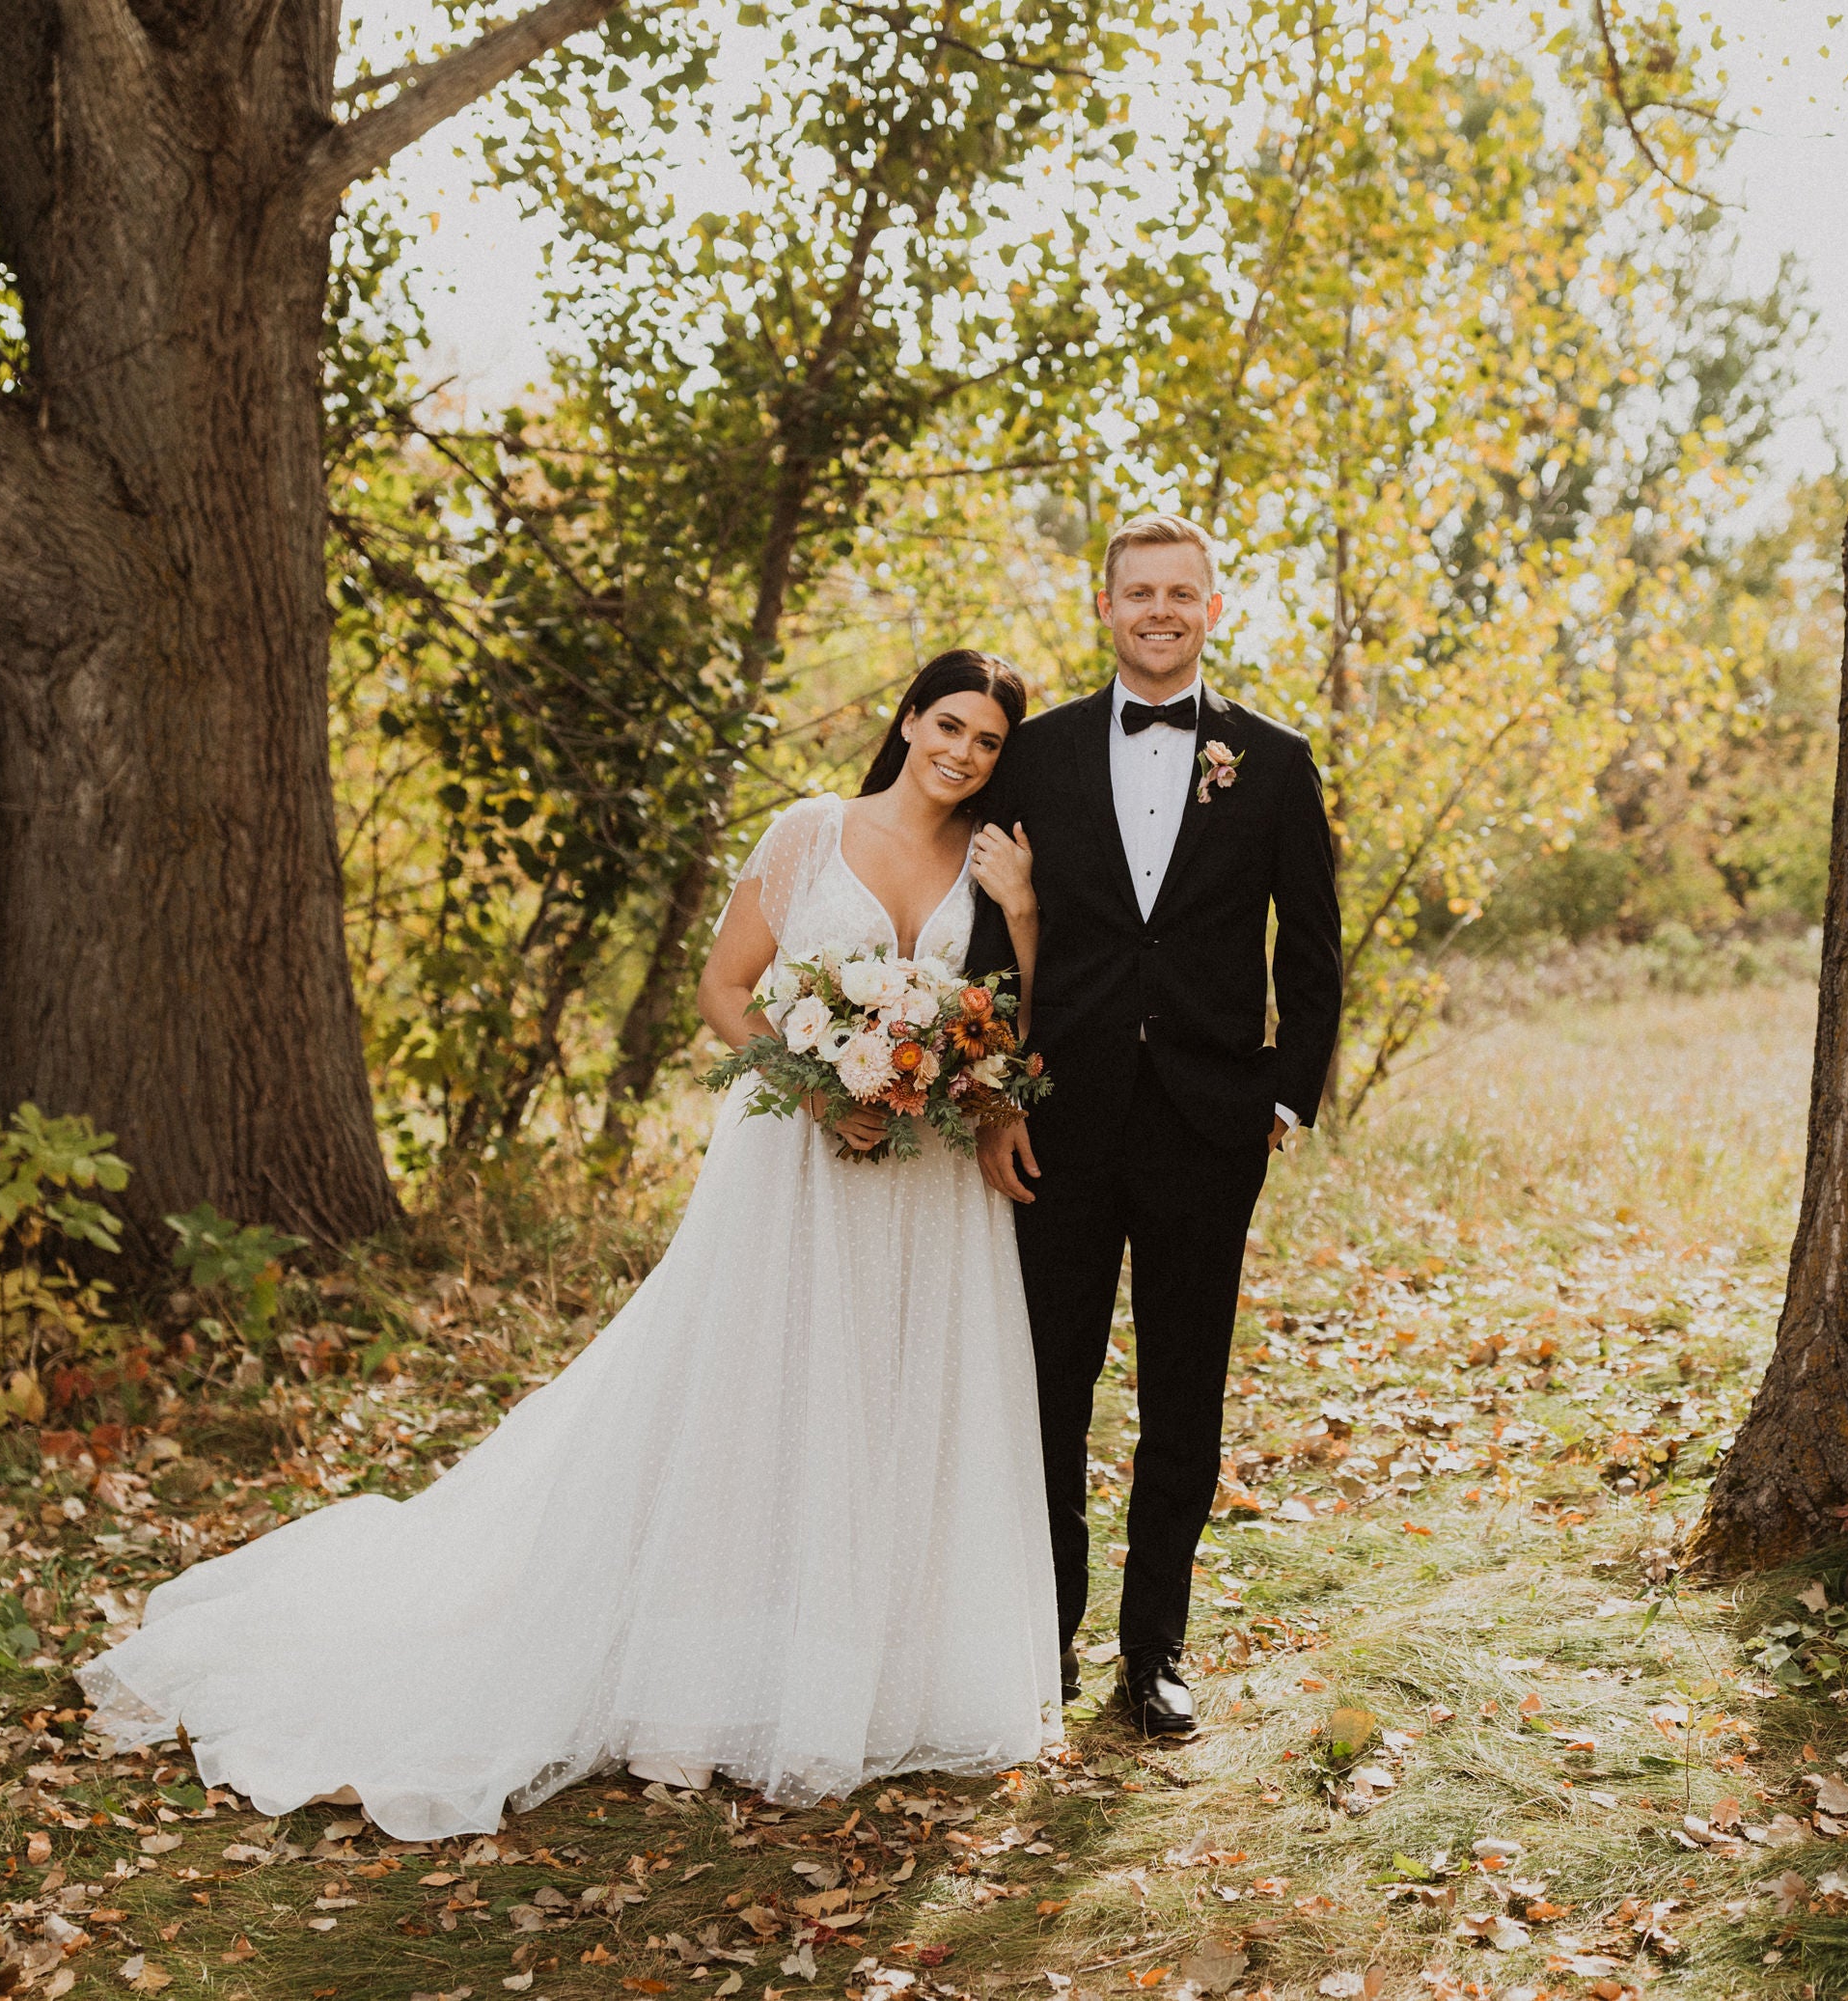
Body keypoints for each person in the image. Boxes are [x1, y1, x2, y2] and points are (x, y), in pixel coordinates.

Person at [79, 651, 1062, 1839]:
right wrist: (813, 1089)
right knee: (756, 1398)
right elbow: (724, 988)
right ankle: (717, 1669)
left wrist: (1017, 915)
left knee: (894, 1401)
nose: (962, 751)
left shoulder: (992, 863)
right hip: (800, 1165)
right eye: (948, 723)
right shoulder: (811, 829)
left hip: (922, 1187)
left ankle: (864, 1672)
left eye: (989, 741)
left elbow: (1001, 1024)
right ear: (909, 719)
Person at [966, 512, 1342, 1739]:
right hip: (1058, 1124)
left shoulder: (1274, 761)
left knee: (1185, 1393)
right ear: (1106, 606)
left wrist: (1284, 1096)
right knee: (1049, 1391)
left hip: (1207, 1126)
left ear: (1214, 609)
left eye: (1183, 592)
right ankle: (1043, 1638)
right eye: (1140, 592)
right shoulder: (1039, 754)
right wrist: (991, 1095)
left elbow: (1316, 951)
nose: (1161, 610)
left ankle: (1156, 1652)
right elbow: (989, 940)